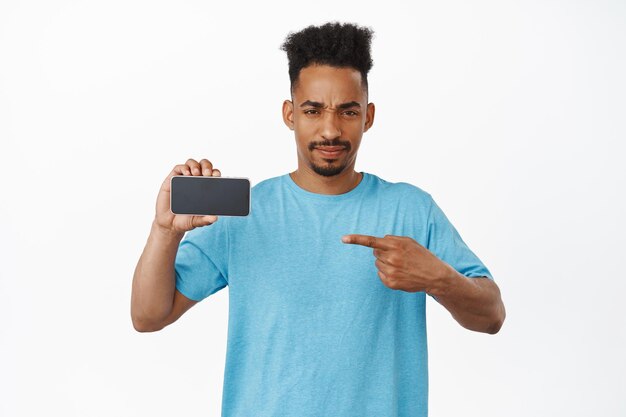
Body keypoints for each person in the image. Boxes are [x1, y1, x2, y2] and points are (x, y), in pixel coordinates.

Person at [131, 21, 505, 417]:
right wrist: (164, 232)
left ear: (368, 116)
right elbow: (148, 315)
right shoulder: (244, 213)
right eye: (313, 110)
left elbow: (492, 316)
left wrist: (439, 278)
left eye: (348, 111)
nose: (330, 129)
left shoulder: (410, 209)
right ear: (290, 114)